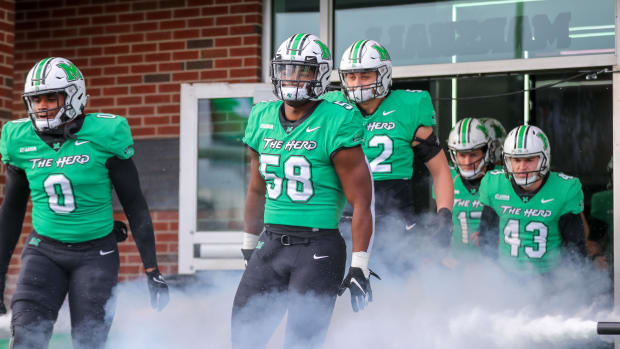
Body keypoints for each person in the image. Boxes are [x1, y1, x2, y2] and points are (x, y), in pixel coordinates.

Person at [0, 57, 169, 349]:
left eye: (51, 97)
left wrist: (152, 269)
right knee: (26, 338)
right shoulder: (18, 140)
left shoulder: (104, 134)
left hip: (95, 254)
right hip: (44, 251)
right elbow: (11, 212)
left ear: (74, 95)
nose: (42, 106)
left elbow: (135, 204)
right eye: (36, 99)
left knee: (88, 343)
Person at [231, 33, 375, 348]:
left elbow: (362, 201)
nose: (292, 78)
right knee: (243, 337)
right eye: (286, 69)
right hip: (269, 245)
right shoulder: (261, 116)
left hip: (317, 248)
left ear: (321, 75)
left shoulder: (337, 119)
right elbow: (256, 189)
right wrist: (248, 243)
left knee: (301, 344)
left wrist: (360, 264)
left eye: (303, 71)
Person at [322, 39, 453, 265]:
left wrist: (444, 215)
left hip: (396, 221)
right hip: (345, 220)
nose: (357, 83)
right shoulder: (332, 108)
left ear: (383, 75)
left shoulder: (409, 106)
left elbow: (440, 171)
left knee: (400, 293)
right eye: (351, 76)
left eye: (365, 76)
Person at [478, 125, 586, 274]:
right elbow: (486, 241)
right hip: (505, 281)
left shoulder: (564, 190)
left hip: (550, 281)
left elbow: (575, 251)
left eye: (529, 159)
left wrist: (564, 285)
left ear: (544, 158)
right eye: (516, 159)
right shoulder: (494, 186)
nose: (522, 167)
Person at [445, 118, 495, 262]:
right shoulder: (448, 178)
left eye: (473, 154)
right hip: (456, 263)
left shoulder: (501, 179)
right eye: (462, 155)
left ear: (486, 151)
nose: (467, 162)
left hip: (492, 263)